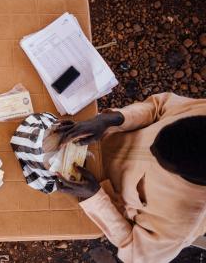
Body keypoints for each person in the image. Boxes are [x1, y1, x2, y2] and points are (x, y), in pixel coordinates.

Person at [54, 92, 206, 263]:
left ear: (192, 179)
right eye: (158, 133)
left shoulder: (182, 224)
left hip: (89, 194)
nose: (151, 147)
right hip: (98, 137)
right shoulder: (202, 111)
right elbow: (159, 107)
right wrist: (113, 120)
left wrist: (95, 198)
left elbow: (135, 252)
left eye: (158, 158)